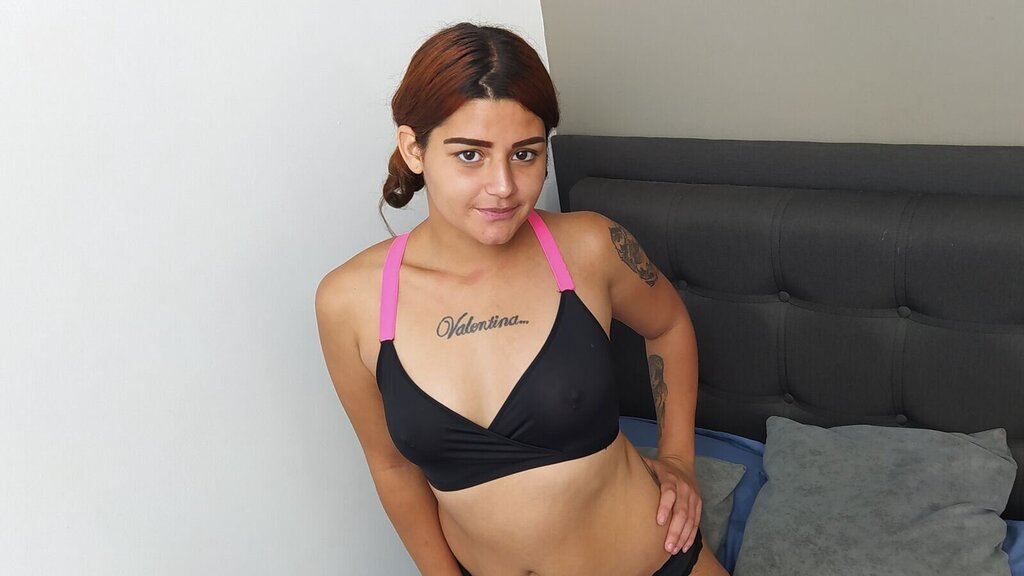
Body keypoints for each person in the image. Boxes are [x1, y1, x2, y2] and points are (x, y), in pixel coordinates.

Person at [315, 23, 728, 576]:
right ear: (414, 148)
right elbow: (392, 467)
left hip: (657, 561)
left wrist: (677, 458)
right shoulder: (349, 302)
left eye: (525, 154)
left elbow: (669, 326)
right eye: (470, 155)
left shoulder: (591, 246)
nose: (504, 186)